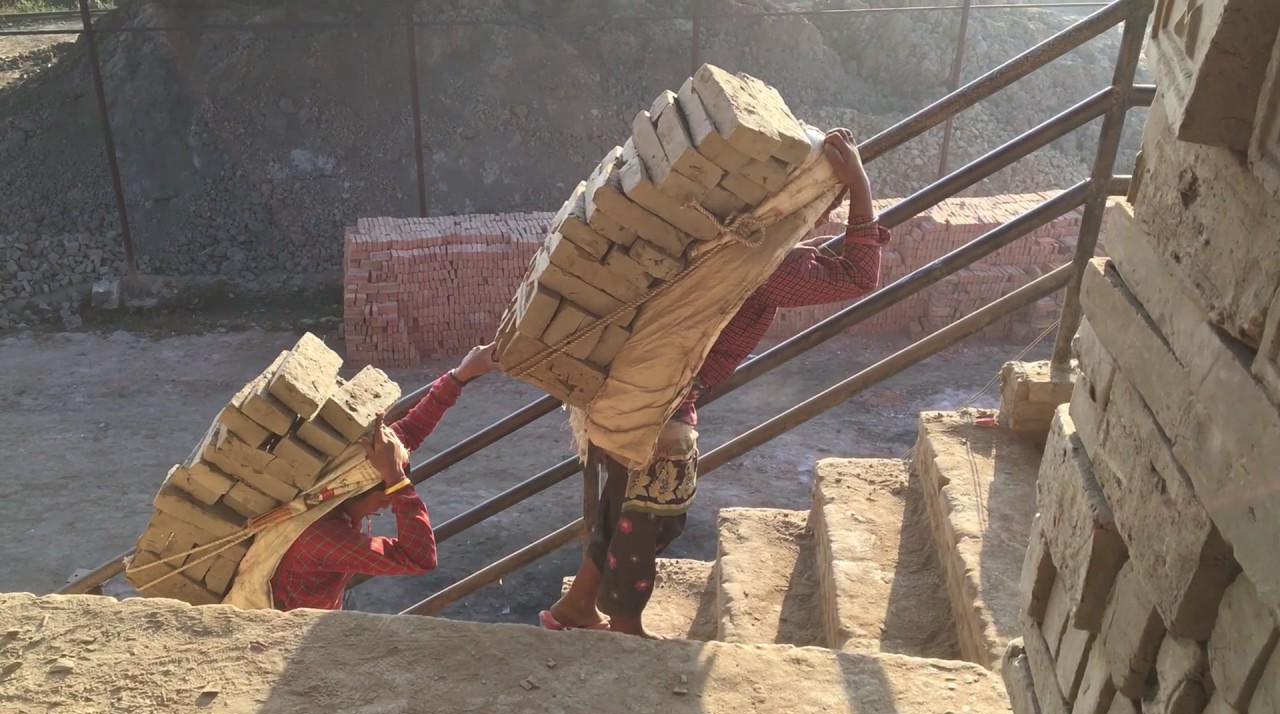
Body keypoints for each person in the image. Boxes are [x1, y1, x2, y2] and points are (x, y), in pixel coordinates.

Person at [542, 128, 891, 638]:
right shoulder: (765, 261)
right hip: (661, 400)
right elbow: (859, 276)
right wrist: (860, 186)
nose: (828, 211)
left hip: (623, 382)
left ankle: (576, 607)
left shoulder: (726, 227)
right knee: (654, 514)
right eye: (827, 199)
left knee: (622, 504)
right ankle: (625, 625)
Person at [268, 343, 499, 611]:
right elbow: (420, 558)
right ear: (355, 489)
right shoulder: (322, 537)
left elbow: (408, 434)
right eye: (385, 495)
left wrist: (461, 375)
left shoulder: (335, 474)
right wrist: (398, 482)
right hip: (294, 632)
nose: (389, 504)